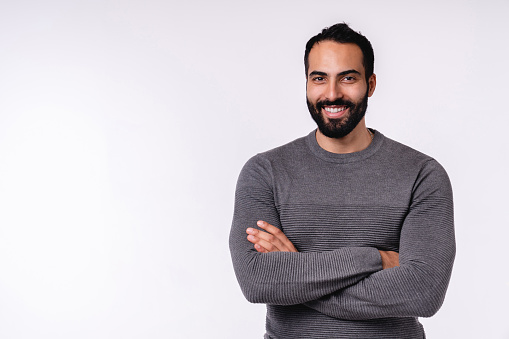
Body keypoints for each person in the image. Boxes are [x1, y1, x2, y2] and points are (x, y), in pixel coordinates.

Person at [229, 23, 455, 339]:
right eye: (319, 78)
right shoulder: (265, 171)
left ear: (371, 83)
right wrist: (375, 258)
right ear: (306, 83)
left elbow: (422, 292)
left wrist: (296, 273)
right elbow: (257, 281)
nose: (332, 94)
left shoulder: (422, 174)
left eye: (348, 78)